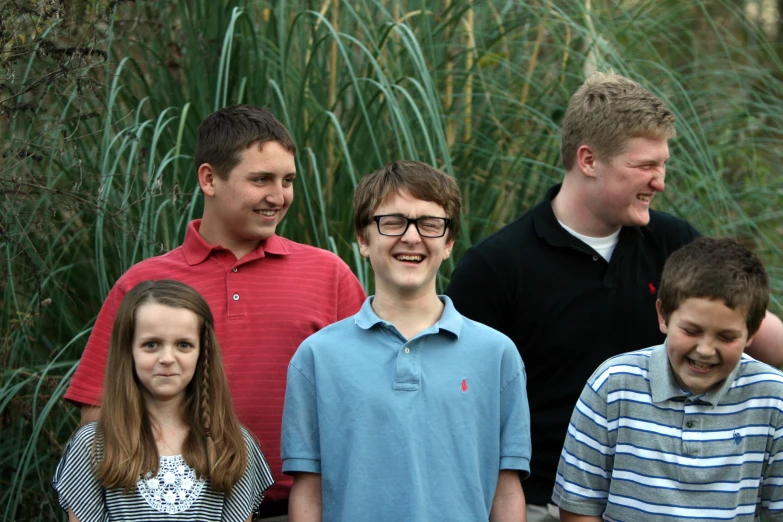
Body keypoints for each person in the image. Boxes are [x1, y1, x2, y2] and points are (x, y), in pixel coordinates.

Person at [445, 71, 783, 521]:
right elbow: (458, 402)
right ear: (588, 159)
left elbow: (751, 328)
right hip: (539, 503)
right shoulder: (497, 266)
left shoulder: (672, 242)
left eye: (663, 164)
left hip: (660, 500)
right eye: (645, 166)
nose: (660, 181)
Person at [64, 105, 367, 518]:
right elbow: (100, 411)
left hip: (303, 508)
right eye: (260, 179)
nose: (278, 197)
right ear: (209, 178)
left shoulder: (328, 274)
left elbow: (365, 396)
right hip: (180, 509)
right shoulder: (143, 284)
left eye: (288, 181)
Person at [280, 161, 532, 522]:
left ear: (448, 243)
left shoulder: (497, 355)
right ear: (364, 240)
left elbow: (506, 490)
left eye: (430, 224)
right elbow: (309, 491)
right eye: (393, 222)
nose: (412, 237)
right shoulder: (318, 357)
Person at [552, 236, 783, 521]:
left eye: (726, 336)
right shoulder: (613, 386)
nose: (705, 350)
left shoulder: (774, 398)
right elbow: (578, 506)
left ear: (752, 332)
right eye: (691, 331)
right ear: (663, 316)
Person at [53, 280, 274, 520]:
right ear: (128, 350)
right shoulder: (93, 444)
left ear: (202, 353)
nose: (167, 358)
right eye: (151, 344)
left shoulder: (232, 444)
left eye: (183, 345)